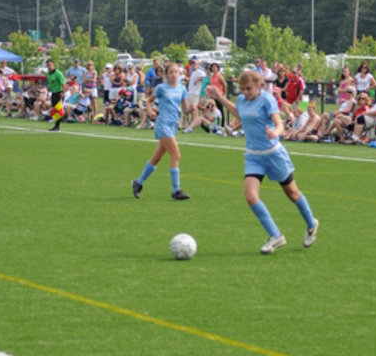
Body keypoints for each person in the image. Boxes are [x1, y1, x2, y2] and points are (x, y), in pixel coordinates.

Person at [206, 70, 319, 254]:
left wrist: (275, 132)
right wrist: (219, 97)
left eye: (249, 88)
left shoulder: (267, 100)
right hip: (253, 156)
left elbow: (279, 123)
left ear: (259, 86)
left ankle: (311, 223)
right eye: (242, 89)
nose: (245, 92)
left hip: (273, 154)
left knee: (292, 193)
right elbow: (239, 113)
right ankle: (275, 235)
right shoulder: (242, 100)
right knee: (250, 196)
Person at [132, 63, 195, 201]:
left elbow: (185, 109)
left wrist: (193, 108)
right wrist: (150, 111)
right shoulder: (161, 88)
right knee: (176, 155)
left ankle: (139, 182)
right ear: (166, 74)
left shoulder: (182, 89)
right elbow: (148, 102)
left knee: (157, 158)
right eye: (171, 72)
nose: (174, 74)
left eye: (176, 72)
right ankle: (176, 190)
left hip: (173, 126)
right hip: (163, 124)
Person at [45, 58, 66, 131]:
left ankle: (57, 125)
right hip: (53, 93)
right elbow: (49, 84)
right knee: (55, 110)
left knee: (58, 110)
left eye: (50, 65)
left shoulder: (58, 73)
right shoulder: (48, 74)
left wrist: (63, 92)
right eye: (48, 65)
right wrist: (48, 93)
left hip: (59, 93)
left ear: (53, 64)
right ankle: (57, 125)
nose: (49, 66)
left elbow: (63, 83)